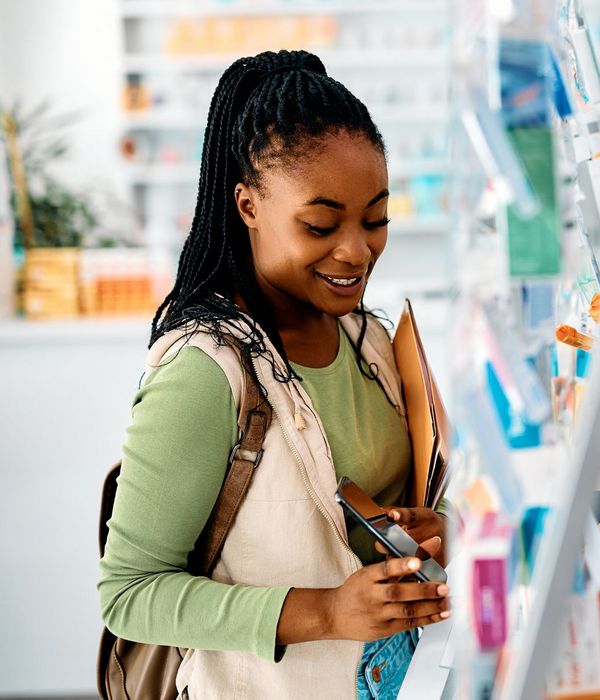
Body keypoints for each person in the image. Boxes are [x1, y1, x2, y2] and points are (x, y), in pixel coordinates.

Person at [98, 50, 448, 699]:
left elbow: (405, 500)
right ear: (249, 205)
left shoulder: (369, 341)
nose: (356, 251)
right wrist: (322, 611)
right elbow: (129, 593)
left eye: (375, 220)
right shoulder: (206, 372)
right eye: (320, 225)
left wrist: (434, 529)